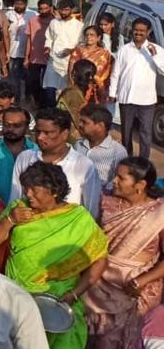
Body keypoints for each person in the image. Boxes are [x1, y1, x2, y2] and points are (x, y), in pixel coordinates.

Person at [0, 161, 109, 349]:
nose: (28, 195)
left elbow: (98, 259)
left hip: (60, 306)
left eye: (35, 190)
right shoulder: (18, 209)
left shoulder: (78, 218)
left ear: (55, 191)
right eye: (26, 189)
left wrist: (77, 293)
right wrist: (10, 221)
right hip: (17, 303)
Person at [82, 158, 164, 349]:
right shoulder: (106, 204)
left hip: (136, 293)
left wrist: (142, 281)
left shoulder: (159, 214)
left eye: (121, 178)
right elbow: (94, 244)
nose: (113, 182)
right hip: (97, 288)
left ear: (140, 186)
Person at [11, 107, 103, 218]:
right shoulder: (25, 158)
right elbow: (15, 200)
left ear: (64, 134)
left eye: (47, 133)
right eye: (38, 131)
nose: (40, 137)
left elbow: (91, 212)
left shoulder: (83, 165)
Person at [108, 17, 164, 160]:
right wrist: (112, 93)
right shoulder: (124, 50)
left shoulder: (156, 50)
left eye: (142, 31)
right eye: (136, 30)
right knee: (126, 132)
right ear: (132, 31)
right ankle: (127, 159)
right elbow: (116, 73)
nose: (138, 33)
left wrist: (155, 56)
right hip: (127, 97)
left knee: (145, 133)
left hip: (146, 100)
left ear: (148, 32)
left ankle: (143, 161)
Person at [0, 106, 36, 204]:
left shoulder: (36, 151)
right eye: (6, 125)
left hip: (28, 211)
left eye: (17, 126)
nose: (10, 129)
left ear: (26, 127)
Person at [76, 104, 128, 187]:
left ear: (100, 126)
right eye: (80, 121)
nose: (80, 125)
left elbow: (118, 182)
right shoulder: (78, 144)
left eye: (84, 122)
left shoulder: (118, 152)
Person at [43, 0, 83, 103]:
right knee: (50, 92)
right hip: (53, 61)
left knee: (65, 93)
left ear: (72, 10)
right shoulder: (54, 23)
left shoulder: (79, 26)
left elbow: (81, 44)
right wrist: (47, 48)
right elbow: (49, 38)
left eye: (66, 10)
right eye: (61, 10)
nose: (63, 12)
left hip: (69, 64)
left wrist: (71, 51)